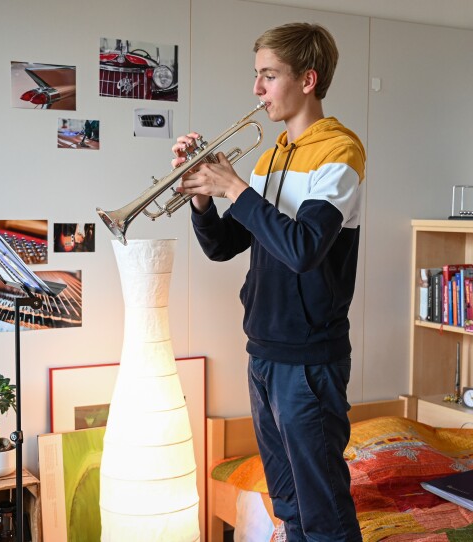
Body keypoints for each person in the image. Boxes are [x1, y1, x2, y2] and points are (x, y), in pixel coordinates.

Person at [172, 22, 366, 542]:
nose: (257, 90)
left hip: (309, 359)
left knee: (323, 511)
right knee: (290, 507)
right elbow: (222, 246)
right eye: (256, 76)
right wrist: (202, 195)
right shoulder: (270, 156)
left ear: (307, 79)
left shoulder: (340, 154)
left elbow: (303, 249)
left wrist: (234, 185)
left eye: (268, 76)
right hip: (262, 350)